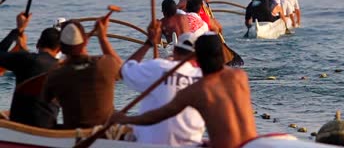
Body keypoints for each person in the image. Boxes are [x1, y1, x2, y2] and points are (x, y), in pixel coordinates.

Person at [110, 33, 257, 148]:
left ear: (197, 58)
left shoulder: (198, 89)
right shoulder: (239, 76)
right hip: (253, 144)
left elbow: (157, 116)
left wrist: (124, 119)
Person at [120, 19, 204, 145]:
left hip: (150, 144)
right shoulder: (204, 78)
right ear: (197, 57)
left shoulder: (157, 67)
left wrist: (148, 43)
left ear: (174, 51)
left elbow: (124, 71)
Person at [43, 18, 122, 129]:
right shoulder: (105, 64)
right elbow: (124, 71)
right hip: (106, 133)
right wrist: (103, 38)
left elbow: (47, 99)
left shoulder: (56, 75)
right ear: (85, 41)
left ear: (60, 47)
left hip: (73, 136)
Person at [0, 12, 60, 128]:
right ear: (59, 49)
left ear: (37, 44)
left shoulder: (25, 59)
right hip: (47, 127)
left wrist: (17, 30)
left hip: (19, 126)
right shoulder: (63, 68)